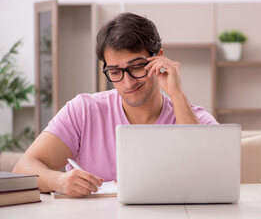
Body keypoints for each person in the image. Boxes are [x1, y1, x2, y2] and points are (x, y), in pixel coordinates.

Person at [13, 12, 217, 197]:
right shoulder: (83, 110)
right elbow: (23, 168)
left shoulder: (196, 119)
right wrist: (58, 181)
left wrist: (177, 94)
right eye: (115, 72)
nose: (128, 83)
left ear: (159, 59)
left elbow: (210, 177)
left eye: (137, 67)